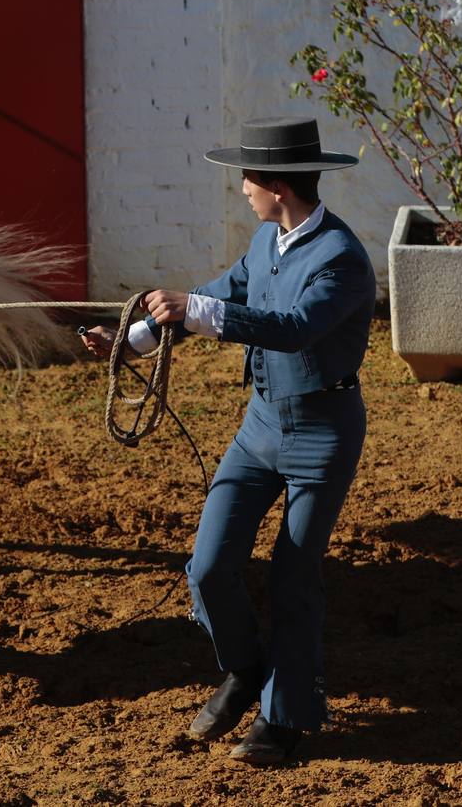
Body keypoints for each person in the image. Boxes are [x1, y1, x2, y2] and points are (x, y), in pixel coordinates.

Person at [82, 116, 375, 765]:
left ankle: (286, 717)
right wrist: (130, 342)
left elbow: (295, 327)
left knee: (295, 576)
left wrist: (196, 309)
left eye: (248, 177)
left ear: (276, 185)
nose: (241, 188)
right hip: (261, 427)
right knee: (209, 568)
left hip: (322, 437)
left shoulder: (342, 260)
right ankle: (245, 670)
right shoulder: (266, 242)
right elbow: (219, 297)